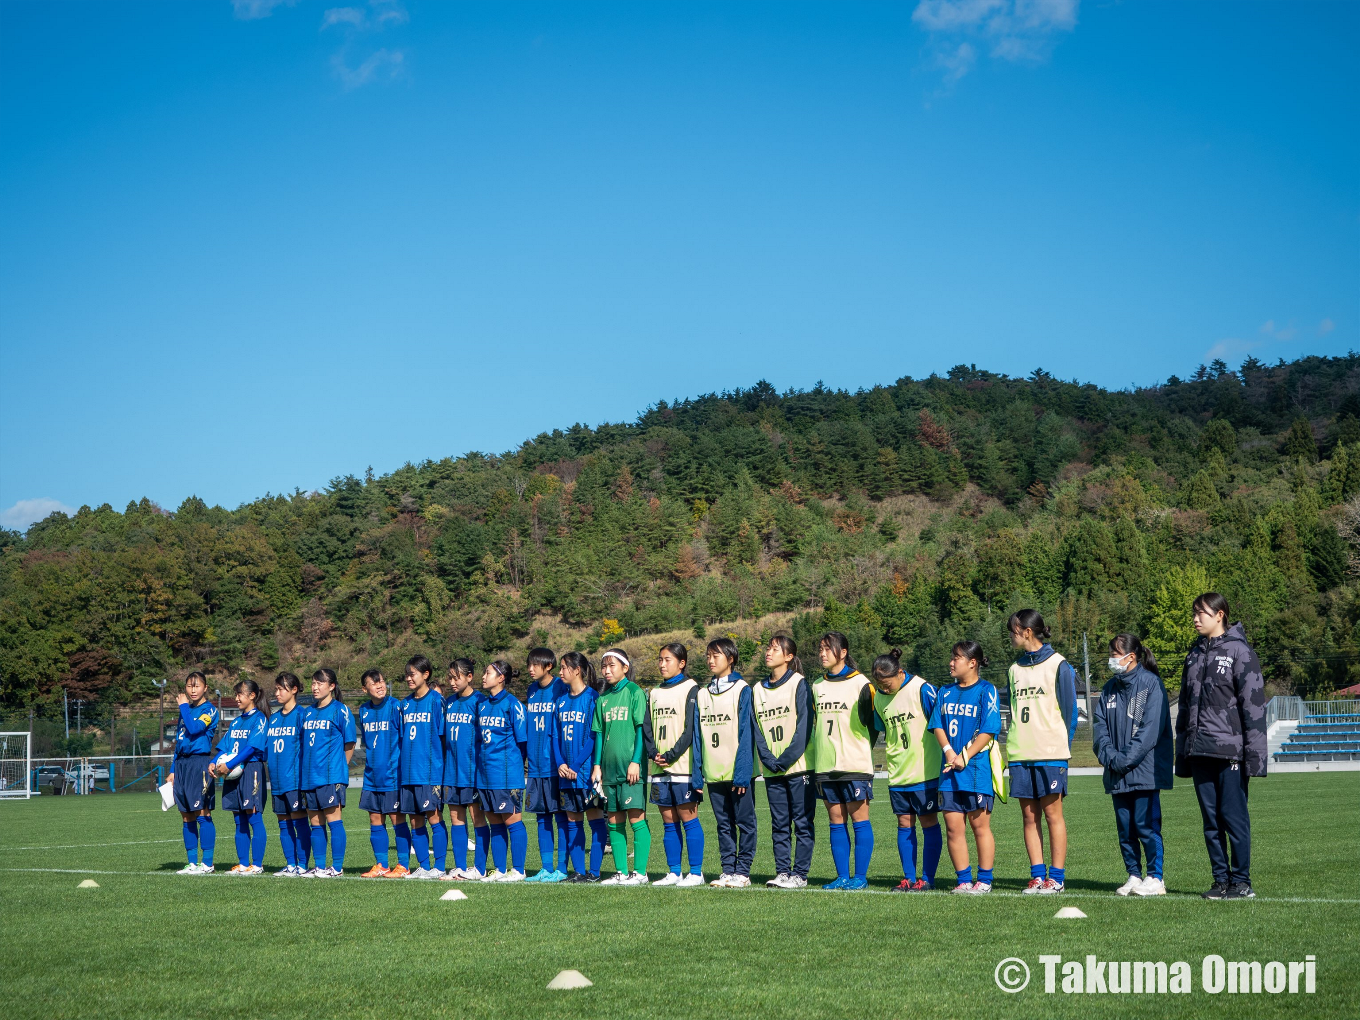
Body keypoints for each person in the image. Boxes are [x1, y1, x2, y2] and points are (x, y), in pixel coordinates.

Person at [1176, 592, 1266, 900]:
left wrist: (1255, 760)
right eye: (1194, 613)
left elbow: (1254, 709)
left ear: (1220, 615)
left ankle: (1242, 882)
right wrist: (1182, 753)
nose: (1195, 618)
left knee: (1233, 818)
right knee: (1211, 822)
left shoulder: (1241, 652)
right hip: (1199, 751)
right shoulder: (1193, 654)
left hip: (1231, 753)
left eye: (1201, 613)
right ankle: (1221, 881)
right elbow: (1185, 709)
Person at [1092, 634, 1173, 897]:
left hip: (1145, 771)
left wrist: (1123, 760)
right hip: (1117, 773)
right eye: (1111, 653)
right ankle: (1134, 875)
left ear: (1131, 657)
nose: (1112, 659)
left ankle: (1156, 878)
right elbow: (1099, 727)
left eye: (1116, 654)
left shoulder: (1151, 684)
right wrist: (1109, 756)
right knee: (1125, 828)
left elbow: (1149, 732)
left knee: (1146, 825)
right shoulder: (1108, 688)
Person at [1005, 609, 1079, 895]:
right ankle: (1037, 876)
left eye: (1013, 630)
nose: (1011, 636)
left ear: (1027, 631)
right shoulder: (1014, 669)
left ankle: (1056, 879)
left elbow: (1070, 712)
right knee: (1028, 816)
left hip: (1051, 752)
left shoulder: (1060, 665)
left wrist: (1063, 747)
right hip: (1021, 752)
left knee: (1052, 815)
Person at [930, 640, 1001, 894]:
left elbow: (990, 728)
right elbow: (937, 724)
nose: (951, 662)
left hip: (975, 771)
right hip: (949, 771)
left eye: (956, 658)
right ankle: (963, 880)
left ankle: (984, 880)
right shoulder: (945, 691)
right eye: (952, 657)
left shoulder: (986, 690)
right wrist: (949, 751)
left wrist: (965, 756)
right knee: (953, 826)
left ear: (973, 662)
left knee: (979, 826)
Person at [869, 648, 943, 893]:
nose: (884, 689)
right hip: (898, 773)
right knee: (903, 822)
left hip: (926, 770)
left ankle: (927, 878)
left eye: (887, 683)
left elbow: (940, 724)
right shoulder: (879, 698)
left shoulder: (922, 689)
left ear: (900, 673)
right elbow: (882, 728)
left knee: (928, 821)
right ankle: (909, 878)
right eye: (879, 684)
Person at [809, 631, 876, 890]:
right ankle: (842, 877)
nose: (822, 654)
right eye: (820, 649)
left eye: (828, 649)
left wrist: (857, 750)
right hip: (825, 766)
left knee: (859, 819)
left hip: (855, 764)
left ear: (843, 652)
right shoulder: (816, 685)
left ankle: (860, 877)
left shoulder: (862, 684)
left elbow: (872, 727)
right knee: (836, 820)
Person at [752, 634, 814, 890]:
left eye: (775, 649)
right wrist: (768, 759)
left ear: (789, 657)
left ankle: (800, 874)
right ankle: (782, 872)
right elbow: (756, 727)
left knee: (802, 822)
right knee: (779, 824)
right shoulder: (757, 689)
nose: (769, 652)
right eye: (768, 648)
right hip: (772, 769)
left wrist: (786, 758)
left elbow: (804, 727)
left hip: (798, 767)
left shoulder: (800, 684)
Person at [643, 642, 706, 887]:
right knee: (668, 821)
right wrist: (653, 753)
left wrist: (670, 754)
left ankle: (696, 873)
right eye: (660, 659)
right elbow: (648, 727)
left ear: (682, 663)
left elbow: (690, 729)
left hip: (683, 767)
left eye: (667, 660)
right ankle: (674, 872)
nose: (662, 664)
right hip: (659, 768)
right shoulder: (654, 692)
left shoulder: (692, 689)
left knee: (688, 818)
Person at [698, 637, 758, 888]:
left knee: (745, 823)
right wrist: (697, 774)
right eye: (708, 656)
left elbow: (747, 734)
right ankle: (727, 870)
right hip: (714, 773)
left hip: (738, 772)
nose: (711, 660)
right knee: (723, 825)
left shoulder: (743, 689)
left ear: (731, 659)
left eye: (716, 655)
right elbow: (697, 736)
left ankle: (742, 871)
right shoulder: (702, 694)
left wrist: (743, 773)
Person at [590, 648, 651, 885]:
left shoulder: (635, 692)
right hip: (609, 770)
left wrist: (636, 761)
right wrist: (597, 765)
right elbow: (598, 734)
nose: (606, 670)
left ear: (625, 668)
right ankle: (621, 872)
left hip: (630, 769)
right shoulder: (603, 699)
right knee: (614, 821)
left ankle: (640, 873)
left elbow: (640, 730)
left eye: (611, 665)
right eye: (604, 666)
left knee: (636, 819)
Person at [555, 651, 609, 883]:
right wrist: (560, 763)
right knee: (572, 822)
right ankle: (578, 871)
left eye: (564, 667)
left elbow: (594, 737)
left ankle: (594, 873)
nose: (560, 672)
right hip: (566, 773)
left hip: (586, 773)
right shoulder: (560, 701)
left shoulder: (592, 698)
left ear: (577, 670)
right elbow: (555, 737)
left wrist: (576, 764)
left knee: (595, 820)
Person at [476, 659, 530, 881]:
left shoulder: (513, 705)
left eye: (487, 672)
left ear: (501, 678)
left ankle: (518, 870)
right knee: (495, 822)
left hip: (507, 776)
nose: (483, 676)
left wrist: (515, 770)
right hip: (485, 776)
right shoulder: (481, 705)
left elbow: (523, 743)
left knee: (512, 822)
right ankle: (499, 870)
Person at [299, 668, 356, 878]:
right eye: (313, 683)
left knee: (334, 821)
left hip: (331, 776)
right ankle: (320, 866)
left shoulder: (340, 710)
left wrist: (341, 769)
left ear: (331, 686)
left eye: (320, 683)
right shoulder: (308, 712)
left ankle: (337, 868)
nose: (315, 687)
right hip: (309, 776)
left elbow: (350, 743)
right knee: (315, 822)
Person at [210, 678, 269, 875]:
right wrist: (214, 761)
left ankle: (257, 865)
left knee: (253, 816)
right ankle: (243, 864)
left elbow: (252, 748)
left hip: (251, 770)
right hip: (232, 774)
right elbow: (225, 747)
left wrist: (229, 765)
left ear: (252, 696)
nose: (236, 698)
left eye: (239, 694)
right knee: (238, 819)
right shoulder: (236, 721)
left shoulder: (259, 719)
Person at [399, 655, 447, 879]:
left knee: (434, 818)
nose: (409, 678)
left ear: (425, 675)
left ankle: (438, 867)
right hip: (408, 774)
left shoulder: (436, 701)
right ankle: (424, 867)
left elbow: (444, 737)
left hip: (429, 772)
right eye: (406, 674)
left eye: (413, 674)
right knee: (415, 820)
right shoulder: (405, 704)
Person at [524, 647, 569, 882]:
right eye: (529, 664)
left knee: (560, 817)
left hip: (555, 766)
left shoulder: (561, 687)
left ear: (548, 666)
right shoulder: (531, 690)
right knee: (541, 818)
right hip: (535, 766)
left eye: (535, 664)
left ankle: (561, 868)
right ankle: (545, 868)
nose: (530, 669)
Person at [357, 669, 407, 878]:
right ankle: (381, 865)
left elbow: (404, 740)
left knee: (397, 820)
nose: (379, 686)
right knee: (375, 820)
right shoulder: (364, 710)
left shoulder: (396, 706)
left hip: (393, 775)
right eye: (374, 683)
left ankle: (403, 865)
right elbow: (368, 742)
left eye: (382, 682)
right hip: (371, 776)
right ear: (364, 688)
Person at [172, 671, 220, 875]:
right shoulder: (185, 711)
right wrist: (173, 770)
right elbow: (179, 741)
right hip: (182, 764)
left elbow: (194, 729)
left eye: (197, 686)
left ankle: (207, 863)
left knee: (202, 813)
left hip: (199, 763)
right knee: (186, 815)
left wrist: (183, 706)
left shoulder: (209, 710)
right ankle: (192, 863)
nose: (192, 690)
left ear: (205, 688)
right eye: (189, 686)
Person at [441, 658, 484, 881]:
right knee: (456, 819)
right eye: (450, 677)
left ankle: (479, 868)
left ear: (470, 677)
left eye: (457, 677)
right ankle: (459, 866)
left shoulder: (480, 702)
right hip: (452, 771)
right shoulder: (448, 702)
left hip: (473, 772)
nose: (452, 681)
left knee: (477, 819)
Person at [265, 672, 309, 876]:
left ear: (294, 690)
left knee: (299, 823)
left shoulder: (302, 715)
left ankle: (303, 864)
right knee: (283, 824)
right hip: (277, 781)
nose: (277, 693)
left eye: (281, 688)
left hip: (295, 780)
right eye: (276, 689)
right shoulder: (273, 719)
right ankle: (290, 864)